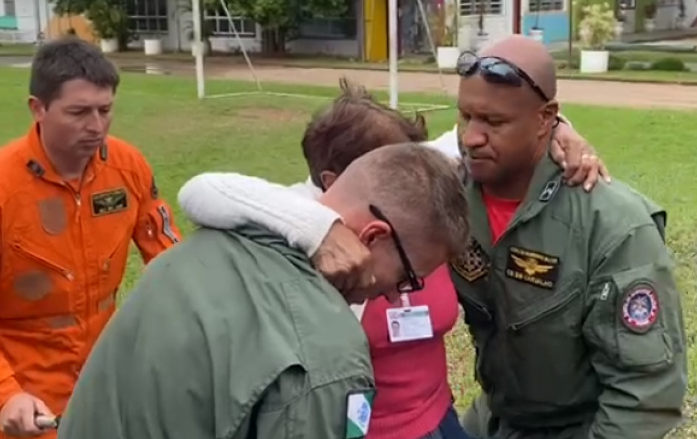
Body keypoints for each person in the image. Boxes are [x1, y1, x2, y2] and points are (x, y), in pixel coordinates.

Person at [179, 38, 688, 439]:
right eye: (465, 116)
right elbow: (203, 190)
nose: (470, 135)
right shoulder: (441, 186)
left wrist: (562, 130)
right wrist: (320, 229)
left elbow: (646, 391)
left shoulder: (613, 224)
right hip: (492, 421)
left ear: (544, 120)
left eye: (492, 121)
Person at [57, 142, 472, 439]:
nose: (398, 297)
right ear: (374, 236)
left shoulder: (206, 246)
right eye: (407, 278)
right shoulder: (328, 350)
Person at [0, 37, 182, 439]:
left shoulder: (127, 167)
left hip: (108, 372)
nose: (96, 126)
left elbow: (172, 261)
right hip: (29, 389)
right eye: (78, 112)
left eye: (105, 110)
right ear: (38, 109)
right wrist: (3, 393)